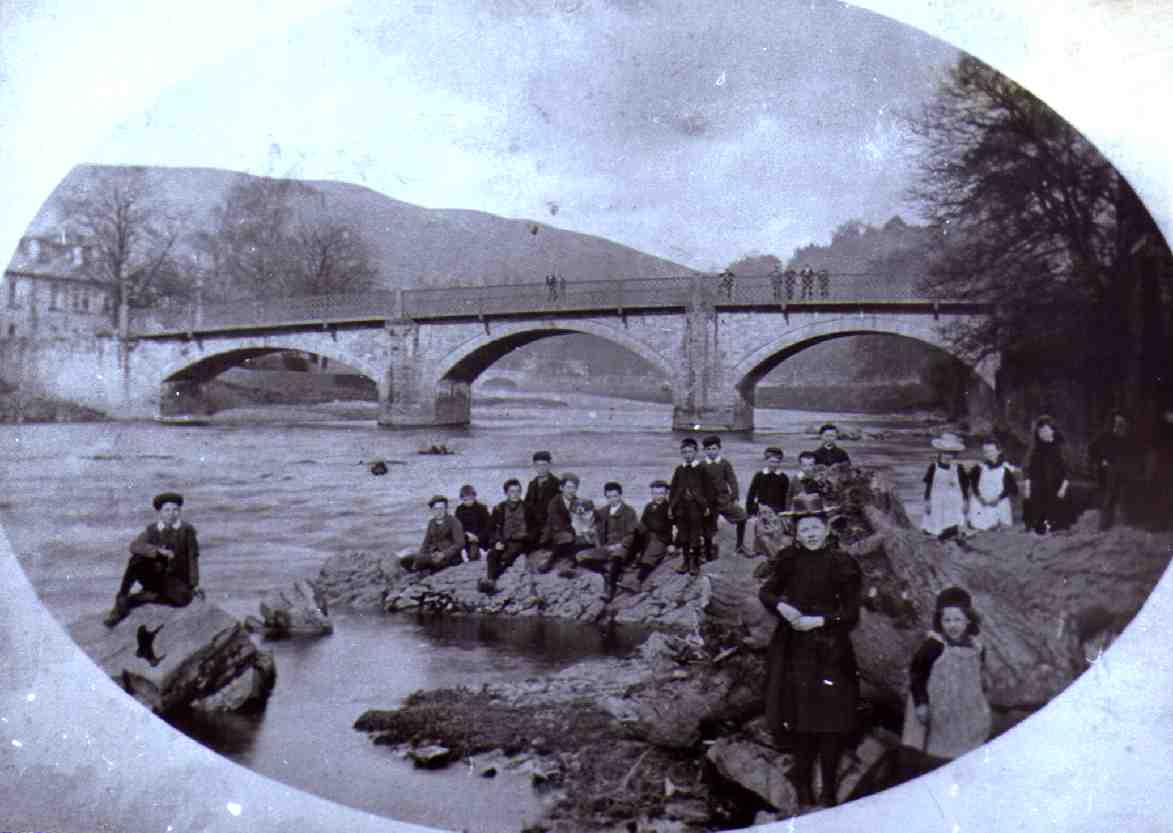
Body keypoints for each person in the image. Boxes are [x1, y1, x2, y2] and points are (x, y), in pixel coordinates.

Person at [758, 496, 862, 808]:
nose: (811, 534)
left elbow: (852, 611)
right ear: (796, 532)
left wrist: (820, 620)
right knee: (800, 717)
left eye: (816, 527)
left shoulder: (842, 562)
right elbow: (766, 591)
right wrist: (782, 607)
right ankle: (803, 788)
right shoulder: (789, 558)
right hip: (795, 647)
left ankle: (829, 789)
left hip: (831, 647)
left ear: (827, 528)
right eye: (805, 529)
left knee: (831, 720)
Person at [901, 587, 992, 771]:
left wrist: (982, 681)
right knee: (936, 751)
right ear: (939, 621)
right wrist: (921, 703)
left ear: (968, 620)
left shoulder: (976, 647)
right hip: (937, 706)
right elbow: (917, 673)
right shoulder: (934, 645)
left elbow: (978, 671)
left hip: (964, 706)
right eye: (947, 620)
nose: (952, 625)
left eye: (957, 619)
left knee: (967, 744)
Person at [104, 492, 202, 628]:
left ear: (179, 512)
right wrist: (157, 551)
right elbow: (134, 546)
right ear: (159, 512)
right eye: (167, 510)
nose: (171, 514)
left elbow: (193, 557)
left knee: (182, 600)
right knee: (136, 559)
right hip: (155, 577)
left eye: (175, 510)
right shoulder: (152, 530)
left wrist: (194, 584)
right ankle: (121, 601)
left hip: (175, 579)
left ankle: (140, 598)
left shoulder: (187, 530)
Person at [578, 481, 640, 601]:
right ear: (606, 497)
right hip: (606, 547)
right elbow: (596, 531)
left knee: (617, 557)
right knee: (580, 556)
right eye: (609, 497)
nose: (612, 499)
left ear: (620, 495)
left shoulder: (629, 511)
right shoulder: (602, 512)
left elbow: (632, 534)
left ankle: (610, 589)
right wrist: (597, 544)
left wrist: (620, 544)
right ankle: (606, 571)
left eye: (615, 496)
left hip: (622, 547)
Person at [669, 437, 717, 576]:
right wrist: (671, 507)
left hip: (696, 507)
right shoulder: (679, 469)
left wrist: (707, 506)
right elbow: (673, 489)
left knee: (695, 535)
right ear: (681, 454)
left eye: (690, 452)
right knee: (683, 534)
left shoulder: (702, 468)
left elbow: (709, 490)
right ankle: (685, 561)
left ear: (696, 452)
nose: (687, 455)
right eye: (684, 452)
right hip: (681, 507)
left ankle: (695, 562)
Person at [481, 478, 535, 593]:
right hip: (504, 540)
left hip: (521, 541)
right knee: (492, 555)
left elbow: (535, 528)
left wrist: (528, 537)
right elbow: (491, 528)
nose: (515, 494)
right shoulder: (500, 508)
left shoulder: (528, 508)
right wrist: (496, 542)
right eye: (512, 491)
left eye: (518, 491)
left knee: (507, 557)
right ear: (506, 493)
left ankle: (492, 580)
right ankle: (490, 580)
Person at [1088, 412, 1139, 530]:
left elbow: (1134, 455)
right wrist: (1101, 461)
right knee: (1110, 496)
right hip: (1108, 471)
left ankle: (1127, 522)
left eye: (1122, 424)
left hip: (1123, 471)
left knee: (1124, 493)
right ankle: (1104, 525)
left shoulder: (1129, 438)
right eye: (1117, 424)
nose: (1119, 427)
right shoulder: (1105, 436)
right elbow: (1092, 449)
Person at [702, 434, 749, 558]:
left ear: (719, 449)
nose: (711, 452)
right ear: (704, 450)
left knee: (742, 517)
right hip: (708, 502)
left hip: (723, 499)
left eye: (714, 449)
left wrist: (734, 495)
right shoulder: (701, 466)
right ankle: (709, 551)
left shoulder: (724, 463)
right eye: (708, 449)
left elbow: (732, 479)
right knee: (709, 527)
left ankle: (740, 545)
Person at [1022, 415, 1070, 535]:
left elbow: (1068, 471)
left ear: (1052, 430)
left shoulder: (1061, 447)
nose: (1042, 434)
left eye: (1045, 430)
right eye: (1040, 432)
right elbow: (1028, 469)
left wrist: (1063, 488)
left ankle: (1056, 527)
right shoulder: (1035, 449)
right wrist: (1027, 487)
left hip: (1058, 485)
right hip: (1039, 486)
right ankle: (1038, 527)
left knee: (1057, 517)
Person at [921, 433, 970, 538]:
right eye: (945, 453)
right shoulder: (933, 467)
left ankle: (955, 533)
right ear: (940, 453)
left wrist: (966, 501)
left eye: (951, 453)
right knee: (936, 519)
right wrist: (927, 501)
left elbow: (964, 486)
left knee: (955, 520)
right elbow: (929, 486)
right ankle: (936, 533)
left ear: (956, 454)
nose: (948, 456)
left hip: (954, 499)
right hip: (937, 498)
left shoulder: (959, 468)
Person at [540, 473, 590, 574]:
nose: (571, 491)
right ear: (561, 488)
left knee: (590, 539)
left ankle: (571, 562)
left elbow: (585, 520)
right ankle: (550, 562)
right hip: (554, 534)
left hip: (572, 533)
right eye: (568, 487)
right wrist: (576, 530)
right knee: (567, 537)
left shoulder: (578, 502)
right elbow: (557, 525)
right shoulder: (554, 502)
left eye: (574, 488)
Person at [631, 480, 677, 588]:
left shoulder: (670, 508)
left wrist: (671, 544)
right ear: (652, 493)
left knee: (651, 554)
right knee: (634, 539)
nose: (658, 496)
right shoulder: (649, 506)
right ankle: (634, 560)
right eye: (655, 493)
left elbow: (674, 527)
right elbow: (643, 522)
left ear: (666, 494)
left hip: (662, 538)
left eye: (661, 493)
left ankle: (638, 581)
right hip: (648, 535)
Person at [967, 438, 1018, 531]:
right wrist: (980, 498)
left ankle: (997, 522)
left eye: (991, 451)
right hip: (982, 499)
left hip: (998, 499)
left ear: (999, 451)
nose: (988, 454)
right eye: (986, 452)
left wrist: (998, 499)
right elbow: (974, 486)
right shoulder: (979, 468)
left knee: (998, 517)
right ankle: (983, 522)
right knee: (977, 517)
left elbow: (1011, 488)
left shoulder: (1005, 468)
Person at [404, 496, 465, 573]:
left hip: (450, 558)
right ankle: (418, 571)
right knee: (406, 560)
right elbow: (426, 543)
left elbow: (460, 544)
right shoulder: (431, 522)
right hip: (433, 555)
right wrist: (420, 556)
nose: (439, 511)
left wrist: (443, 554)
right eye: (436, 509)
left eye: (441, 508)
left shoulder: (454, 522)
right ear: (432, 510)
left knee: (431, 562)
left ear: (446, 509)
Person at [525, 451, 561, 540]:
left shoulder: (557, 484)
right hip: (533, 526)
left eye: (544, 465)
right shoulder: (532, 484)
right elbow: (526, 505)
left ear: (550, 465)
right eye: (538, 465)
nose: (541, 468)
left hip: (550, 526)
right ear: (534, 466)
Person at [746, 446, 790, 518]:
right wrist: (749, 511)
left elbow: (787, 497)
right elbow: (751, 495)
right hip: (761, 509)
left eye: (777, 462)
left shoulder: (783, 477)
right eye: (771, 462)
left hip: (778, 510)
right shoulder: (759, 476)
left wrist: (785, 511)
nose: (774, 465)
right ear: (766, 460)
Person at [454, 484, 491, 562]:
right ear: (461, 499)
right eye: (465, 500)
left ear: (474, 496)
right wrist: (466, 534)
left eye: (470, 499)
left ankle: (484, 552)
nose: (468, 502)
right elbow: (457, 527)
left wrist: (478, 537)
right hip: (467, 538)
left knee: (474, 555)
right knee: (471, 555)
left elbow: (488, 526)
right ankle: (462, 555)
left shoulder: (482, 508)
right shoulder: (459, 510)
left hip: (481, 537)